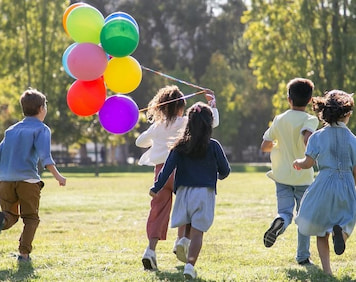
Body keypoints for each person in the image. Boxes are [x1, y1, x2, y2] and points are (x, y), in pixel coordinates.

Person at [136, 85, 219, 270]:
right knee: (187, 207)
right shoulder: (184, 122)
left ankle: (150, 250)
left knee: (157, 212)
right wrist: (212, 105)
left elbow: (139, 142)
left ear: (161, 107)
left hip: (160, 174)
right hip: (181, 171)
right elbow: (212, 123)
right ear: (181, 107)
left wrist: (155, 137)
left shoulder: (157, 127)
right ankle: (181, 240)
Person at [149, 102, 230, 279]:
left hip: (184, 192)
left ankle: (183, 240)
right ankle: (190, 266)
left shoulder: (179, 146)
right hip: (204, 193)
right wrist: (216, 176)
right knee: (198, 231)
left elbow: (167, 169)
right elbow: (225, 170)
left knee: (187, 222)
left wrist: (156, 187)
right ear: (209, 124)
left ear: (189, 123)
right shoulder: (214, 145)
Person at [293, 90, 356, 275]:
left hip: (323, 184)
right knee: (348, 220)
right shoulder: (353, 140)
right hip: (345, 185)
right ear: (347, 114)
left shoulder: (317, 136)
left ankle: (327, 271)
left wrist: (298, 162)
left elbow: (308, 163)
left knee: (321, 231)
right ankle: (342, 235)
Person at [0, 88, 66, 263]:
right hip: (28, 181)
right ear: (41, 108)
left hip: (5, 180)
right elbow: (45, 157)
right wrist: (58, 176)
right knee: (30, 218)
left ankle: (3, 219)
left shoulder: (11, 130)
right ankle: (24, 254)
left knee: (9, 216)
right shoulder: (42, 129)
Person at [260, 78, 319, 265]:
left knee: (285, 212)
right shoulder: (311, 119)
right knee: (304, 218)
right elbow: (307, 138)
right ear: (310, 100)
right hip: (303, 175)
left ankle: (280, 221)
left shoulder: (279, 119)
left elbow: (265, 146)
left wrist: (279, 145)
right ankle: (303, 256)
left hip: (282, 175)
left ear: (288, 99)